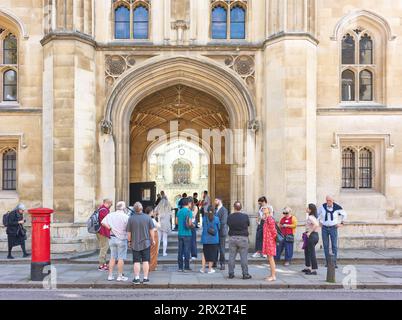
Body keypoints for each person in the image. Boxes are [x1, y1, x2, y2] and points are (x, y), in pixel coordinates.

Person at [127, 202, 156, 284]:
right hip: (146, 242)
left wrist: (129, 241)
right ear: (142, 208)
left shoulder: (131, 218)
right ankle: (146, 278)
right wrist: (153, 239)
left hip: (135, 243)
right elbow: (151, 230)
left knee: (136, 261)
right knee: (145, 261)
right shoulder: (148, 218)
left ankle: (136, 278)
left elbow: (129, 232)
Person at [101, 201, 129, 282]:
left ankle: (110, 276)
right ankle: (120, 276)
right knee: (121, 258)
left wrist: (109, 227)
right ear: (123, 208)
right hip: (122, 239)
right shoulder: (125, 216)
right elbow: (128, 228)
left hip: (112, 238)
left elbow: (102, 222)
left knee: (112, 257)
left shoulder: (110, 215)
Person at [317, 195, 347, 268]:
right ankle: (328, 263)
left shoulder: (337, 207)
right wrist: (318, 222)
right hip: (324, 228)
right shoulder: (322, 207)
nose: (328, 202)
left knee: (334, 245)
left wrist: (341, 223)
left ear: (333, 201)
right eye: (327, 200)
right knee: (326, 245)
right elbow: (317, 214)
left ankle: (333, 263)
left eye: (330, 200)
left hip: (333, 228)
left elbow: (345, 214)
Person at [227, 201, 252, 280]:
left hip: (232, 238)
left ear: (234, 208)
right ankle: (245, 274)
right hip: (243, 238)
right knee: (244, 257)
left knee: (231, 256)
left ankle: (231, 273)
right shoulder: (245, 216)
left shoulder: (230, 216)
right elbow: (248, 224)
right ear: (241, 207)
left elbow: (228, 224)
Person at [200, 206, 220, 274]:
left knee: (204, 253)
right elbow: (219, 227)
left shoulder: (204, 218)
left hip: (205, 239)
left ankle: (202, 269)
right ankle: (210, 269)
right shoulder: (216, 218)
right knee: (212, 254)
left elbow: (203, 226)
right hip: (214, 239)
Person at [302, 204, 320, 275]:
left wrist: (309, 232)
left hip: (312, 236)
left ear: (310, 210)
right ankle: (308, 267)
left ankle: (314, 270)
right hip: (312, 236)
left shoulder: (310, 217)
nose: (306, 208)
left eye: (307, 208)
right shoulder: (312, 217)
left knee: (311, 252)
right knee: (307, 251)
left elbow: (316, 224)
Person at [176, 197, 193, 272]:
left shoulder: (179, 211)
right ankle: (186, 266)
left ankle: (180, 267)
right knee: (187, 250)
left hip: (180, 233)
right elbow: (189, 223)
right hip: (187, 233)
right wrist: (192, 225)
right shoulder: (189, 212)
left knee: (180, 250)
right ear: (188, 203)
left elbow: (176, 222)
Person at [96, 199, 113, 271]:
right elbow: (107, 222)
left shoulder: (102, 209)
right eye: (111, 204)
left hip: (102, 232)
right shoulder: (104, 210)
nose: (111, 206)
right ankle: (101, 265)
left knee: (104, 248)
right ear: (108, 203)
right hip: (103, 232)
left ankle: (104, 264)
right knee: (104, 248)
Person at [262, 205, 277, 282]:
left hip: (270, 241)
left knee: (271, 258)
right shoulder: (266, 218)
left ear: (269, 210)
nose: (263, 209)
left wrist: (272, 239)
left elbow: (274, 231)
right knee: (269, 258)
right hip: (267, 240)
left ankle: (273, 276)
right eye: (263, 208)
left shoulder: (270, 218)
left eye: (265, 208)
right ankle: (271, 274)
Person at [214, 198, 228, 270]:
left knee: (222, 248)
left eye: (216, 200)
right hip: (215, 232)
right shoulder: (215, 209)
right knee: (215, 247)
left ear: (220, 201)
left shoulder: (224, 210)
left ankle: (222, 263)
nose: (214, 202)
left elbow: (224, 221)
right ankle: (214, 262)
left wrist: (215, 225)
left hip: (221, 231)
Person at [145, 206, 160, 272]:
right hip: (153, 234)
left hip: (146, 235)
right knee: (154, 251)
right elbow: (159, 226)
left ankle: (147, 265)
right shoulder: (152, 219)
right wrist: (158, 219)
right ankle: (151, 266)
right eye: (153, 211)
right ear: (151, 212)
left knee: (148, 251)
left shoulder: (144, 218)